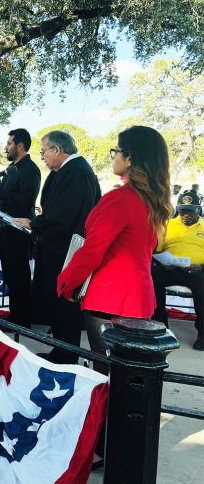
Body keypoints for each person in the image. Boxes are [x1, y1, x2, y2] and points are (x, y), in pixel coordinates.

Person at [58, 126, 172, 363]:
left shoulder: (120, 199)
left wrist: (66, 282)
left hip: (109, 296)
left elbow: (92, 250)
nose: (114, 156)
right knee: (128, 372)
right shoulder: (152, 200)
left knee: (105, 372)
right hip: (140, 296)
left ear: (130, 158)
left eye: (117, 151)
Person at [14, 130, 101, 363]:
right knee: (57, 303)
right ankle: (61, 349)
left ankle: (67, 354)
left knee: (64, 304)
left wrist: (35, 223)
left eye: (44, 151)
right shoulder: (69, 171)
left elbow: (64, 213)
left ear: (57, 150)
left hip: (65, 251)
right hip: (58, 247)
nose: (42, 156)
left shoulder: (77, 172)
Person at [0, 128, 40, 329]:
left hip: (18, 229)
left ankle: (21, 321)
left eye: (9, 143)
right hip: (6, 228)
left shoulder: (30, 170)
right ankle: (16, 317)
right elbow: (7, 194)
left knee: (19, 276)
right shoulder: (12, 169)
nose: (6, 147)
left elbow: (26, 200)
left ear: (20, 145)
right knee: (11, 276)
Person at [152, 190, 204, 350]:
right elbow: (157, 250)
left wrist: (201, 266)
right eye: (182, 211)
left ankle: (202, 333)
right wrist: (163, 262)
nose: (185, 215)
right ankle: (160, 325)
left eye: (190, 212)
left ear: (198, 210)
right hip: (170, 268)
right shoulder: (167, 225)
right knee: (152, 279)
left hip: (196, 271)